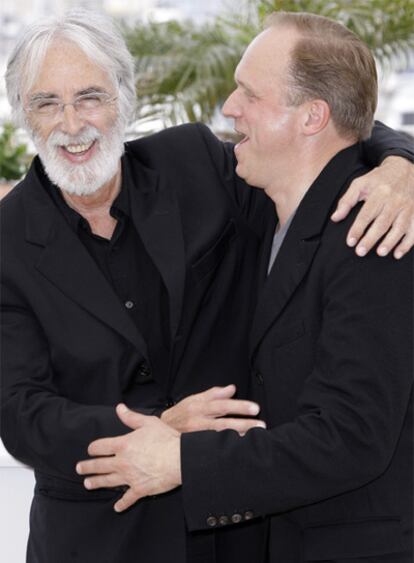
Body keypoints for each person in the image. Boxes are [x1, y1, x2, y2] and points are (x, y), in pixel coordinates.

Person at [1, 9, 413, 563]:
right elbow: (20, 412)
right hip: (98, 538)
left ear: (125, 98)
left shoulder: (195, 162)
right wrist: (160, 430)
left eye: (90, 97)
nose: (72, 123)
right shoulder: (6, 239)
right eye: (46, 103)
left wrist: (402, 162)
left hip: (241, 535)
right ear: (23, 114)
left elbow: (324, 135)